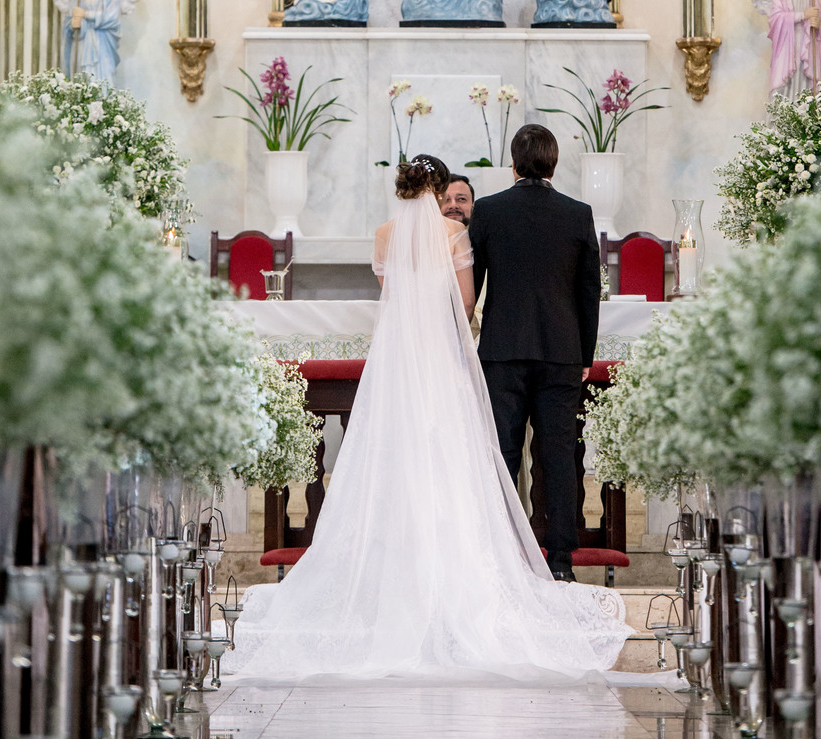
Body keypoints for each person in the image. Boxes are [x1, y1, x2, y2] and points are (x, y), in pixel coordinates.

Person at [225, 154, 628, 680]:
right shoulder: (453, 233)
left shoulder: (384, 235)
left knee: (395, 453)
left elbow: (392, 297)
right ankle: (468, 571)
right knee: (451, 455)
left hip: (396, 360)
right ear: (438, 192)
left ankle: (391, 572)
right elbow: (465, 304)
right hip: (441, 357)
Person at [468, 124, 601, 584]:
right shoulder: (578, 214)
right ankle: (560, 559)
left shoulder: (488, 210)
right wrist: (585, 354)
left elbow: (473, 283)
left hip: (502, 349)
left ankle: (502, 555)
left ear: (513, 163)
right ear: (554, 163)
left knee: (503, 453)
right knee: (558, 455)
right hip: (561, 351)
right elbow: (589, 291)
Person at [61, 0, 121, 82]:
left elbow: (112, 18)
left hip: (102, 45)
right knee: (83, 78)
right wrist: (72, 24)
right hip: (83, 44)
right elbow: (68, 21)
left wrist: (86, 14)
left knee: (104, 79)